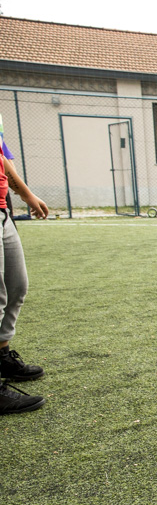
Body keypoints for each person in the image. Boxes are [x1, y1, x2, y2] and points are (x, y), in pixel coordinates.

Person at [0, 135, 49, 414]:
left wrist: (25, 193)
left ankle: (3, 356)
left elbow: (2, 159)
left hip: (2, 208)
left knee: (16, 287)